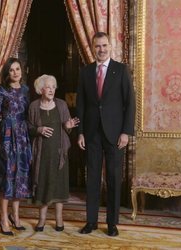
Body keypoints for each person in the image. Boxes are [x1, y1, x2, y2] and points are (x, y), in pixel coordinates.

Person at [76, 32, 135, 236]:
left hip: (115, 134)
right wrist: (81, 132)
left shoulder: (121, 70)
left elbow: (130, 104)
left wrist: (126, 132)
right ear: (93, 48)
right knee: (92, 178)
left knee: (113, 177)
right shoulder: (85, 72)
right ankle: (91, 221)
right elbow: (81, 105)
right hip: (92, 133)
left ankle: (112, 223)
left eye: (104, 45)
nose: (101, 50)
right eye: (97, 46)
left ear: (110, 47)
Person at [28, 74, 79, 232]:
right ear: (40, 89)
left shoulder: (62, 105)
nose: (51, 90)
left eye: (53, 87)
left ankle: (59, 219)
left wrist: (68, 125)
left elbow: (67, 128)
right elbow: (28, 128)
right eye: (48, 87)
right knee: (43, 184)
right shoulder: (34, 106)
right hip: (42, 154)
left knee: (59, 186)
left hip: (59, 154)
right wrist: (39, 129)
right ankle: (42, 219)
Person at [0, 57, 32, 236]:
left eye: (18, 69)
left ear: (21, 71)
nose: (15, 72)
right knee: (7, 175)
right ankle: (3, 217)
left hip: (22, 137)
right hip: (6, 137)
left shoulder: (26, 90)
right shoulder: (1, 91)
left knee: (20, 176)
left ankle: (15, 215)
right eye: (12, 70)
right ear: (7, 74)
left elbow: (30, 115)